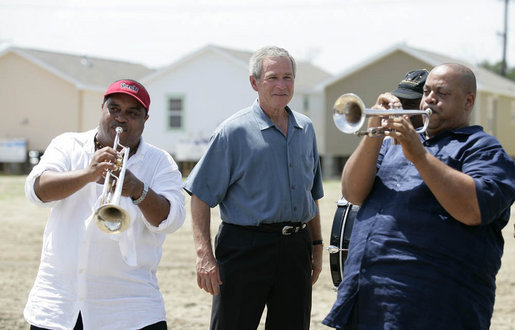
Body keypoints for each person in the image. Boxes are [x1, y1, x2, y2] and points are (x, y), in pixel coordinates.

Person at [323, 63, 515, 329]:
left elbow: (474, 209)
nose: (430, 99)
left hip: (433, 307)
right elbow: (352, 192)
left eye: (442, 93)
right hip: (368, 301)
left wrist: (419, 155)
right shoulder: (393, 145)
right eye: (426, 91)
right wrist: (375, 132)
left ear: (468, 101)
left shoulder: (482, 148)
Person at [24, 79, 186, 329]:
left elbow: (171, 220)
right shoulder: (67, 145)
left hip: (132, 311)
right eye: (114, 109)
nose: (121, 119)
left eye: (133, 113)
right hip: (57, 306)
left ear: (145, 119)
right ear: (102, 109)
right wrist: (87, 175)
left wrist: (138, 190)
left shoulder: (160, 161)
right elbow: (36, 190)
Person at [184, 46, 324, 330]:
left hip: (296, 248)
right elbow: (200, 196)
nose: (281, 85)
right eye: (272, 77)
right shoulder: (232, 132)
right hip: (244, 248)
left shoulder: (306, 129)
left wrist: (317, 245)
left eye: (288, 77)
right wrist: (204, 256)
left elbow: (312, 194)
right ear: (254, 82)